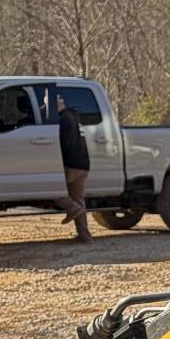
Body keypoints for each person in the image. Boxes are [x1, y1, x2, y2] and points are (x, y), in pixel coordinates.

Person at [56, 92, 92, 244]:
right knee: (78, 199)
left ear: (59, 102)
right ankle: (84, 235)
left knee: (51, 188)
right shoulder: (74, 117)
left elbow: (65, 143)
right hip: (83, 164)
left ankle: (72, 208)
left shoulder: (64, 119)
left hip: (72, 165)